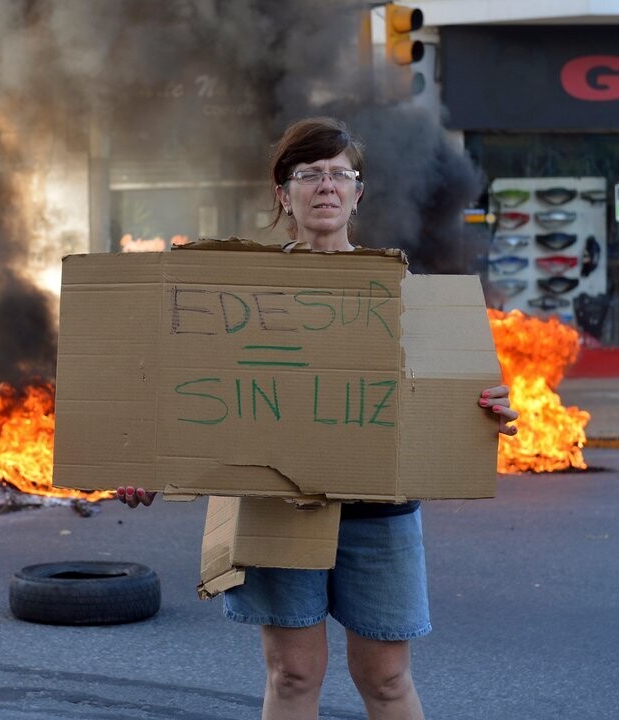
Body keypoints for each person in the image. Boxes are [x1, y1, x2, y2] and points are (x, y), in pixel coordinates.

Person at [117, 116, 519, 720]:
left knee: (385, 680)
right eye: (309, 173)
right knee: (292, 673)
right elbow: (200, 393)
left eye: (340, 173)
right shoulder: (243, 294)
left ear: (359, 192)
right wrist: (153, 464)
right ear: (284, 194)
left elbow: (446, 399)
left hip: (380, 515)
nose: (326, 185)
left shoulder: (403, 292)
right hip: (277, 502)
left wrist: (483, 414)